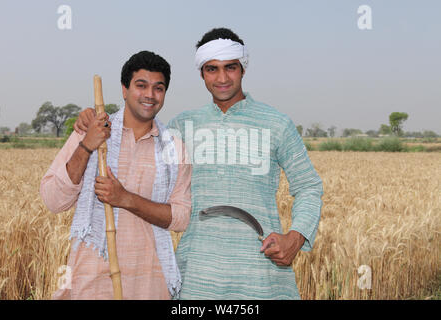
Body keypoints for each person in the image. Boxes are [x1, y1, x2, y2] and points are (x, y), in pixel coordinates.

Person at [74, 28, 323, 300]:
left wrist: (295, 238)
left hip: (262, 276)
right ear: (202, 74)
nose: (222, 78)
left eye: (231, 67)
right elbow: (137, 150)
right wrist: (93, 120)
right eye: (212, 69)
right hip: (197, 279)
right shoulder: (181, 127)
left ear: (243, 69)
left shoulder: (277, 124)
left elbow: (309, 186)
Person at [40, 50, 192, 300]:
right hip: (91, 283)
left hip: (149, 285)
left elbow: (181, 218)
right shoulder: (92, 132)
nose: (150, 95)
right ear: (124, 89)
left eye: (158, 88)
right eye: (141, 86)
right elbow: (53, 200)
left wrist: (125, 199)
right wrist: (87, 145)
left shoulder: (175, 149)